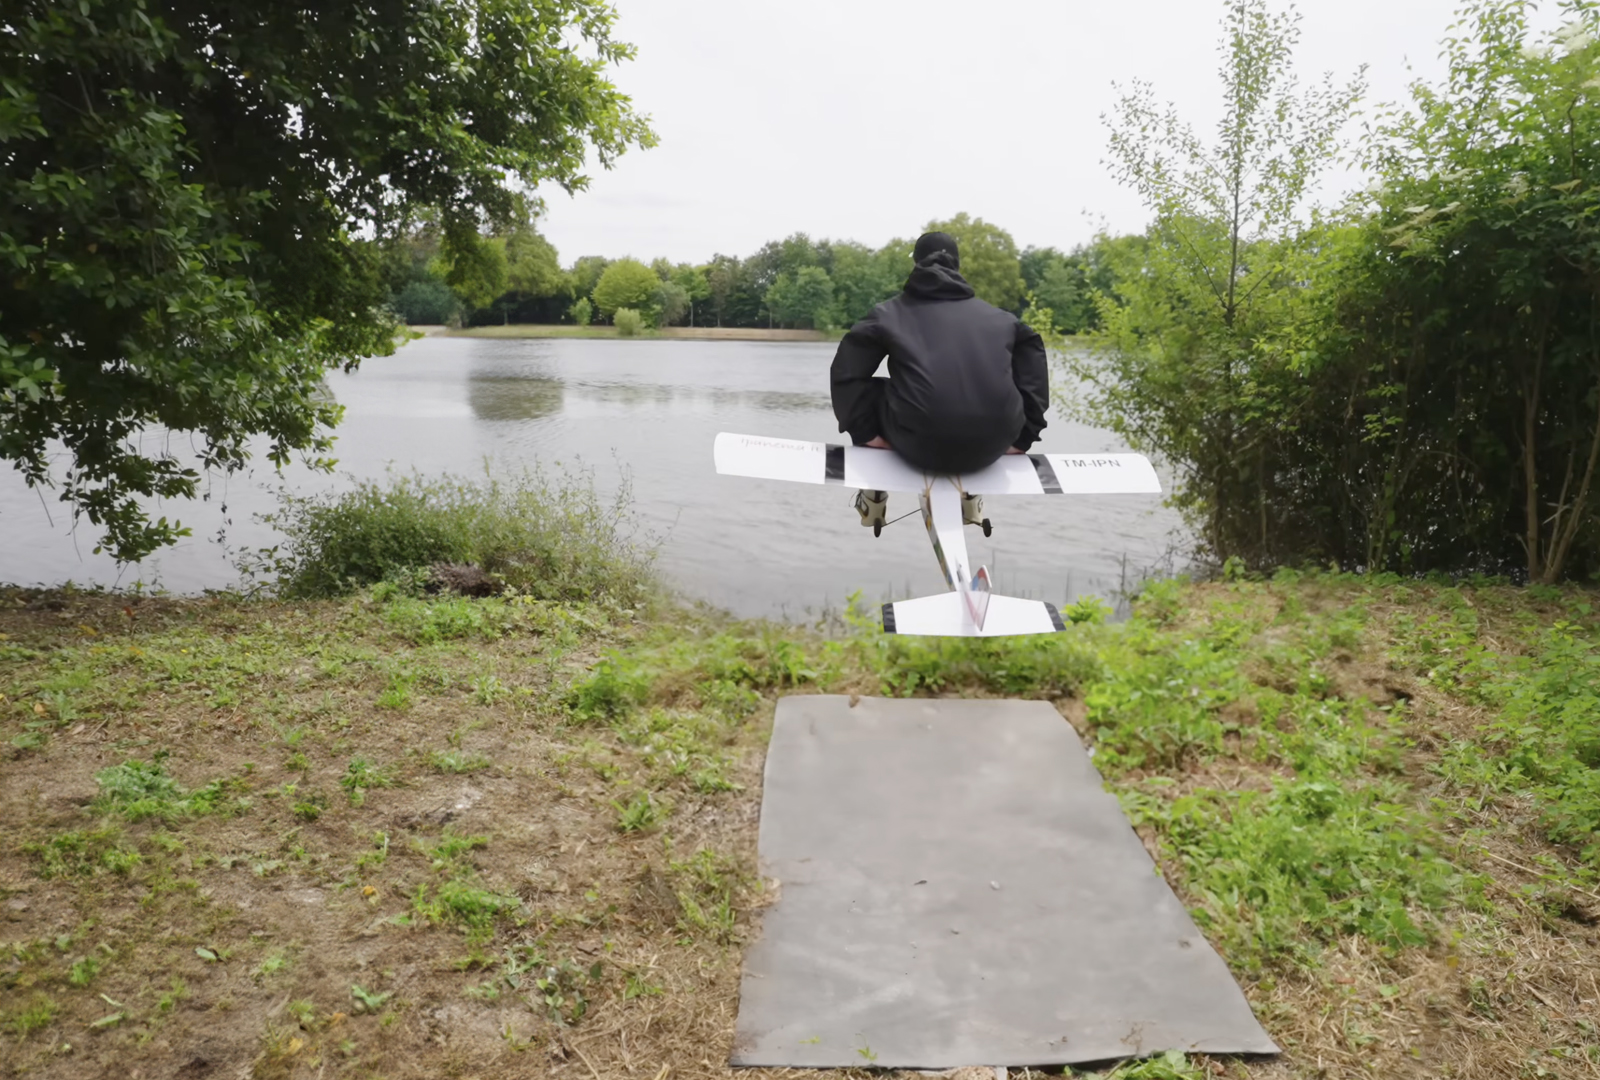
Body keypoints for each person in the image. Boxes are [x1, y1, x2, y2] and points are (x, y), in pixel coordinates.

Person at [830, 230, 1049, 528]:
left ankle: (873, 499)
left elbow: (847, 371)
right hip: (993, 446)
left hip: (916, 444)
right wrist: (1023, 437)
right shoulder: (1003, 320)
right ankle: (970, 499)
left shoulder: (888, 314)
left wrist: (865, 433)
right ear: (957, 267)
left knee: (875, 390)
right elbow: (1033, 351)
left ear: (916, 264)